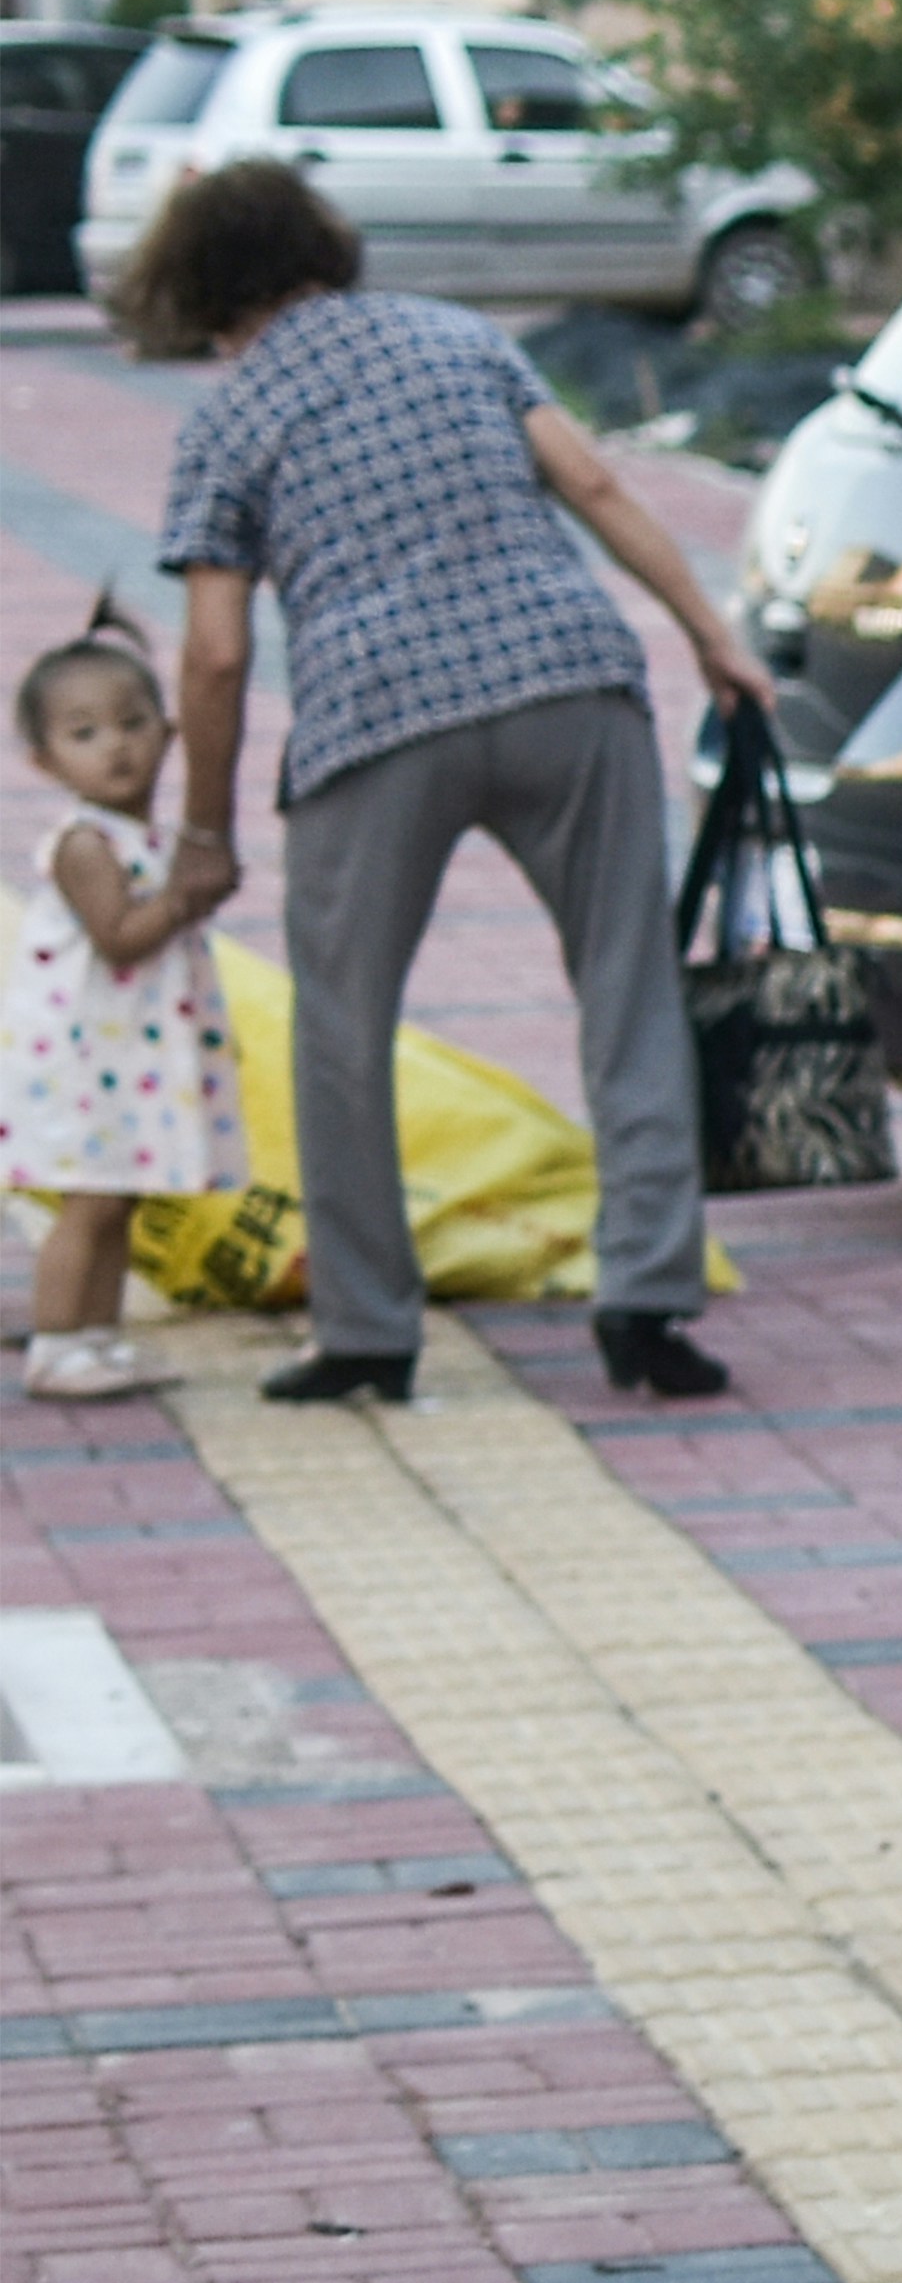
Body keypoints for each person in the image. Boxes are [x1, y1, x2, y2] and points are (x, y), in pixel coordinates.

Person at [113, 155, 766, 1406]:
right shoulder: (456, 338)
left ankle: (367, 1332)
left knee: (343, 1028)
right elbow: (595, 483)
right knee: (628, 994)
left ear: (198, 285)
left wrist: (204, 825)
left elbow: (213, 651)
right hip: (568, 680)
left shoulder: (231, 422)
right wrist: (710, 633)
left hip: (377, 720)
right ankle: (647, 1306)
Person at [6, 610, 244, 1401]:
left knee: (121, 1196)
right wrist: (182, 897)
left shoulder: (140, 835)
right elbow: (118, 935)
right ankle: (55, 1341)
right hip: (86, 1059)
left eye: (134, 723)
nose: (117, 745)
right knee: (90, 1198)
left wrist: (184, 890)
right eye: (84, 733)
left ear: (170, 735)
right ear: (44, 760)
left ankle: (100, 1337)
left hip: (130, 1055)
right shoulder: (85, 845)